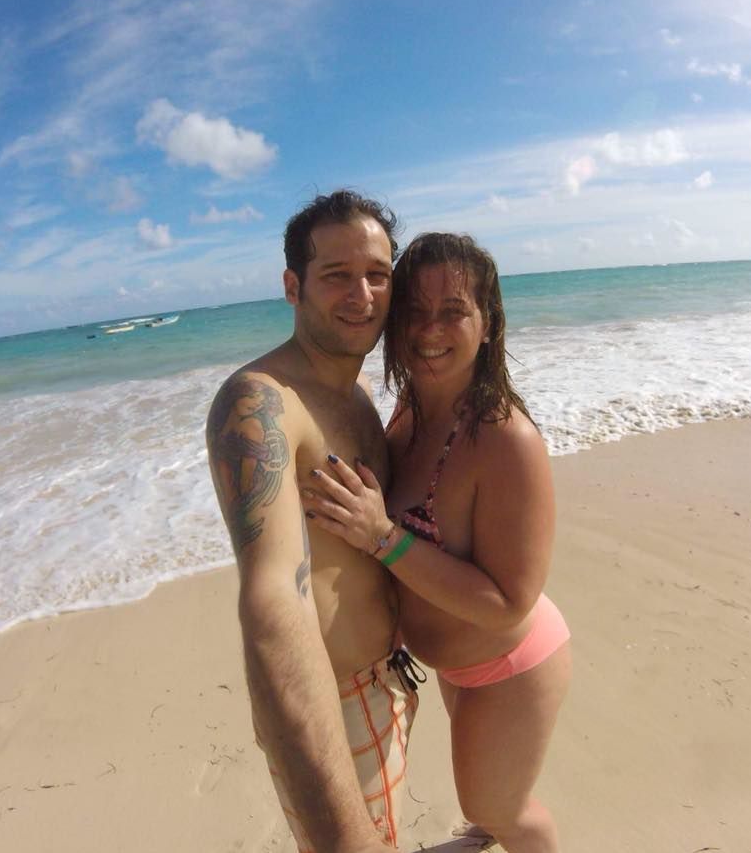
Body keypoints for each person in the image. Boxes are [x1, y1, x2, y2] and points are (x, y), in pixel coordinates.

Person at [303, 232, 572, 853]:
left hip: (510, 663)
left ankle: (497, 823)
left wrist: (382, 537)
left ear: (488, 323)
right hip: (455, 662)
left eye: (453, 310)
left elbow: (508, 603)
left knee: (500, 805)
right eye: (415, 311)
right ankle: (486, 829)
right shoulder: (408, 413)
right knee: (489, 789)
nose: (430, 329)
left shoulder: (505, 440)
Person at [206, 191, 419, 853]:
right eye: (336, 275)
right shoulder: (260, 403)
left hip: (387, 682)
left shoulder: (357, 394)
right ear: (293, 286)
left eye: (377, 274)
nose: (363, 295)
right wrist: (342, 833)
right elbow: (273, 598)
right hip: (333, 710)